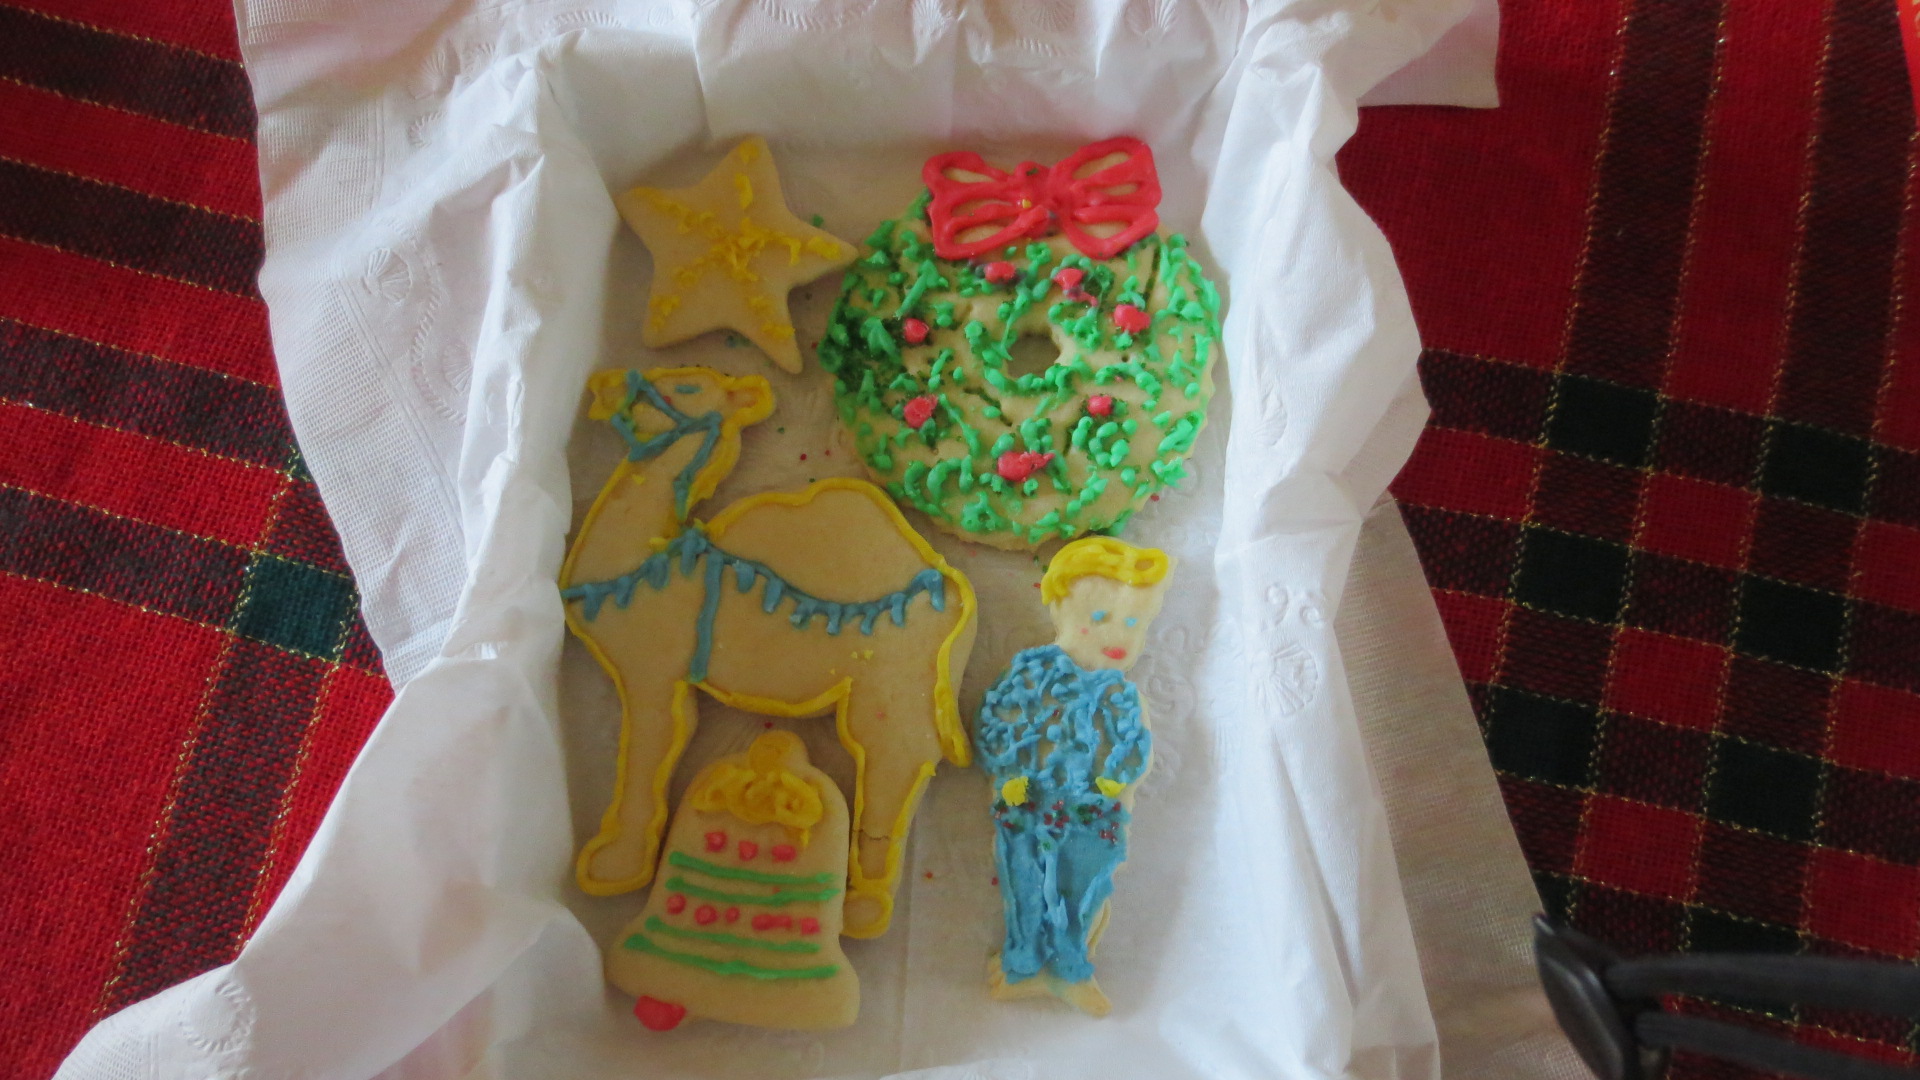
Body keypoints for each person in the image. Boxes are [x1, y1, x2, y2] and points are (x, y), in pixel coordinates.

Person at [976, 536, 1172, 1016]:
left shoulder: (1122, 695)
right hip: (1029, 805)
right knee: (1026, 884)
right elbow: (998, 723)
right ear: (1060, 610)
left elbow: (1133, 748)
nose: (1118, 635)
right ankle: (1021, 963)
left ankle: (1069, 968)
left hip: (1092, 815)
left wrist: (1115, 781)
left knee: (1084, 890)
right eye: (1100, 618)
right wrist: (1009, 773)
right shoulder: (1033, 674)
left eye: (1133, 623)